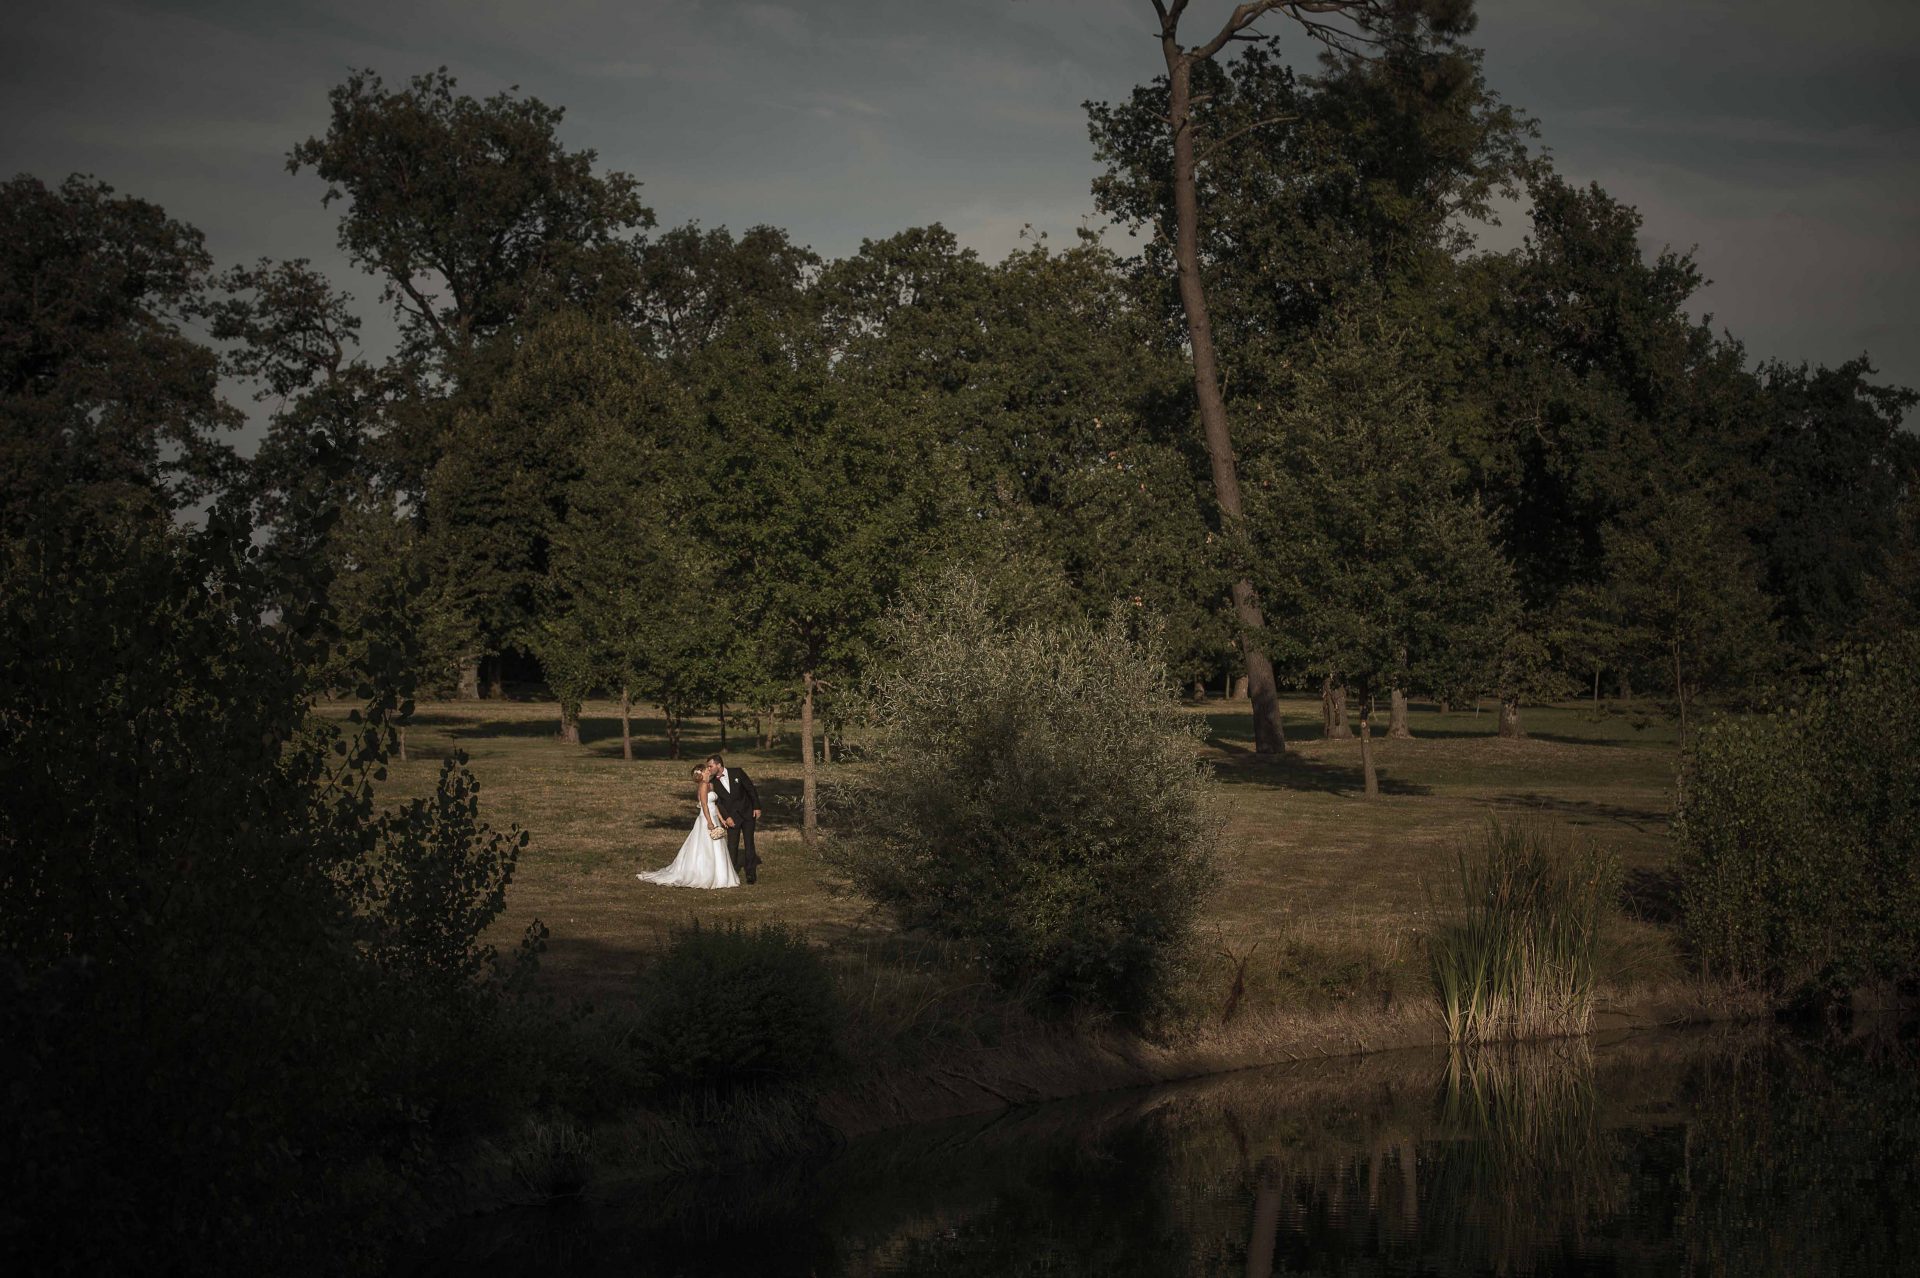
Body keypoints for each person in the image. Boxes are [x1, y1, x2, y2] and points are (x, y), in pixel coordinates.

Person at [636, 760, 739, 889]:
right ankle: (703, 875)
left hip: (714, 817)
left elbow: (714, 805)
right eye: (706, 769)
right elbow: (704, 805)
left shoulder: (710, 785)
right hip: (706, 818)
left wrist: (721, 819)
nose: (708, 769)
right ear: (702, 772)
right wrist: (709, 822)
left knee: (717, 845)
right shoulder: (702, 786)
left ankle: (721, 876)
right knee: (705, 846)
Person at [705, 752, 762, 884]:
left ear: (719, 765)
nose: (709, 768)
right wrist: (727, 817)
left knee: (749, 844)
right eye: (708, 767)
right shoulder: (713, 783)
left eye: (710, 766)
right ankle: (731, 873)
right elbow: (718, 803)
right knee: (732, 845)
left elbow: (750, 789)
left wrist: (757, 807)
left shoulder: (737, 772)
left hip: (748, 813)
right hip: (732, 818)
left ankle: (750, 873)